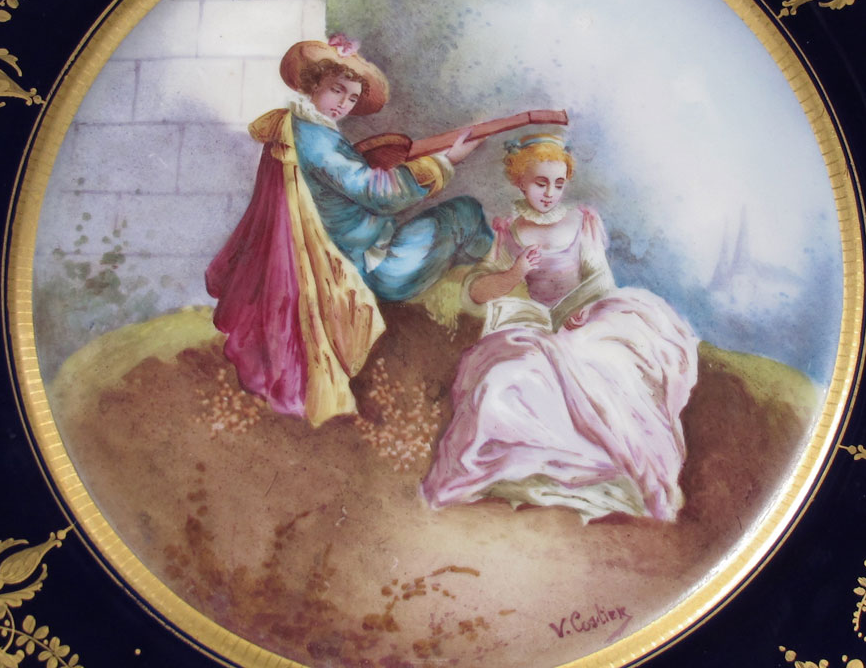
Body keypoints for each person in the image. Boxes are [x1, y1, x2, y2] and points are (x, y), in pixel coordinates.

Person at [205, 35, 493, 426]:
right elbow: (378, 192)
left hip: (358, 248)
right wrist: (446, 160)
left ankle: (477, 275)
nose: (343, 103)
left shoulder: (299, 126)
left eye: (352, 97)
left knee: (453, 217)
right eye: (336, 90)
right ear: (313, 86)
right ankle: (482, 273)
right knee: (463, 213)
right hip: (369, 267)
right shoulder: (317, 139)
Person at [421, 133, 699, 522]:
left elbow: (600, 281)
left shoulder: (582, 222)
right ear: (520, 182)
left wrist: (583, 310)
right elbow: (476, 292)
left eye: (558, 183)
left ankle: (603, 472)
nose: (550, 193)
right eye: (540, 183)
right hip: (533, 325)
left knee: (606, 373)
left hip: (586, 322)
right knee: (502, 381)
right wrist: (515, 273)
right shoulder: (509, 232)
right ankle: (524, 470)